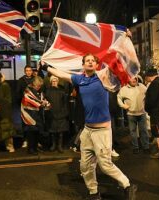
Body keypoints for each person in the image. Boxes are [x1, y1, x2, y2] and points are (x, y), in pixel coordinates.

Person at [40, 53, 137, 200]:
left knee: (105, 165)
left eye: (93, 61)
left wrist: (123, 40)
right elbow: (62, 74)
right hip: (88, 130)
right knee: (85, 166)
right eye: (87, 61)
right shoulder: (80, 79)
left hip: (102, 131)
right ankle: (94, 193)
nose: (90, 62)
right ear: (83, 64)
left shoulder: (102, 76)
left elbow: (115, 62)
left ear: (97, 65)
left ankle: (128, 185)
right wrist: (46, 66)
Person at [117, 77, 149, 154]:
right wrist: (123, 106)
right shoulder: (124, 89)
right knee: (132, 131)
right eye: (132, 79)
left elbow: (149, 94)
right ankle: (135, 147)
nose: (134, 80)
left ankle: (146, 147)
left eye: (135, 78)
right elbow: (118, 98)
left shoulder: (142, 86)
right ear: (128, 80)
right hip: (131, 114)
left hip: (142, 113)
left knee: (143, 131)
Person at [21, 76, 50, 155]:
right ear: (34, 84)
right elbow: (30, 100)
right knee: (31, 133)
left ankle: (35, 148)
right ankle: (31, 149)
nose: (39, 87)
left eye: (40, 86)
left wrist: (44, 102)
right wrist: (41, 103)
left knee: (37, 132)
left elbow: (41, 99)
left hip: (37, 115)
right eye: (38, 86)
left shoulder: (39, 91)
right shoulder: (28, 91)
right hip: (29, 115)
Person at [144, 69, 159, 159]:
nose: (146, 78)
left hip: (157, 112)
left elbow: (152, 100)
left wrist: (147, 108)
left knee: (158, 132)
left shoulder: (154, 84)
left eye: (147, 76)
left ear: (150, 76)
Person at [45, 76, 69, 153]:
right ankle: (53, 145)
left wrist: (64, 113)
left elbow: (65, 103)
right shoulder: (47, 91)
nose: (54, 82)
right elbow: (46, 102)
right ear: (51, 82)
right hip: (51, 114)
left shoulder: (62, 91)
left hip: (61, 113)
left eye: (55, 81)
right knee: (53, 132)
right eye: (53, 81)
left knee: (60, 132)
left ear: (58, 82)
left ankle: (59, 146)